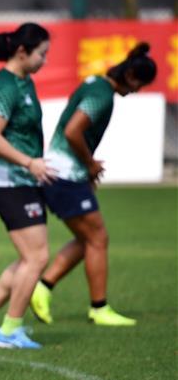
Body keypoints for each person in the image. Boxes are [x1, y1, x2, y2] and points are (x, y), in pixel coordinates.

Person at [30, 44, 157, 327]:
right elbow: (73, 130)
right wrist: (89, 164)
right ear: (132, 74)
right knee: (98, 238)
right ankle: (98, 307)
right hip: (64, 175)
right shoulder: (102, 94)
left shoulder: (96, 85)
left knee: (88, 239)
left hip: (62, 173)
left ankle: (43, 288)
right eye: (140, 84)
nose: (137, 90)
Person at [0, 23, 52, 349]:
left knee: (29, 258)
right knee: (37, 258)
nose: (44, 60)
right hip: (11, 182)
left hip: (22, 181)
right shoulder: (6, 86)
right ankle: (10, 330)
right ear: (22, 52)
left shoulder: (24, 81)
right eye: (41, 54)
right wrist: (29, 162)